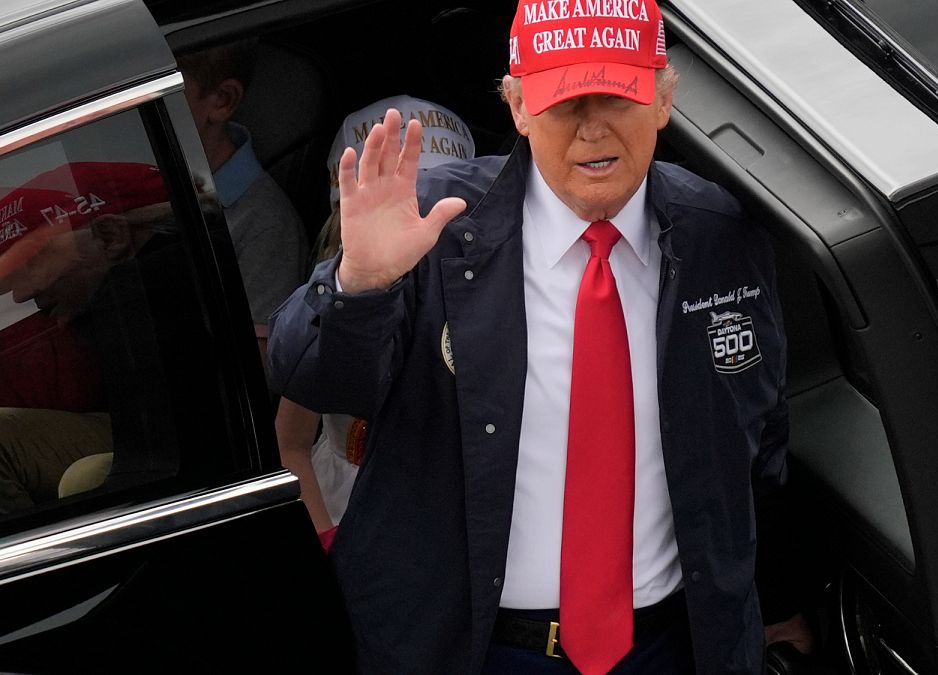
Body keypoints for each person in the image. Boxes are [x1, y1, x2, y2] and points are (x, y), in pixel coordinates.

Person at [268, 0, 809, 671]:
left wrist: (779, 597)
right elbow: (313, 378)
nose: (591, 130)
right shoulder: (436, 223)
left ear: (664, 100)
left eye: (616, 98)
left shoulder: (719, 234)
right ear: (519, 108)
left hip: (675, 645)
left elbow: (760, 438)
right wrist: (360, 285)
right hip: (476, 650)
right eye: (564, 103)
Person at [275, 95, 475, 538]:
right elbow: (291, 441)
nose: (412, 218)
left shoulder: (490, 285)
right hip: (346, 511)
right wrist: (326, 539)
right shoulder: (327, 300)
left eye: (431, 200)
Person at [0, 162, 172, 513]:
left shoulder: (148, 292)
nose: (19, 295)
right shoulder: (96, 305)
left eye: (31, 263)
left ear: (111, 236)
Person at [178, 40, 308, 349]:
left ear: (222, 100)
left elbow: (258, 370)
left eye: (163, 92)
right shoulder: (142, 177)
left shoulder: (265, 226)